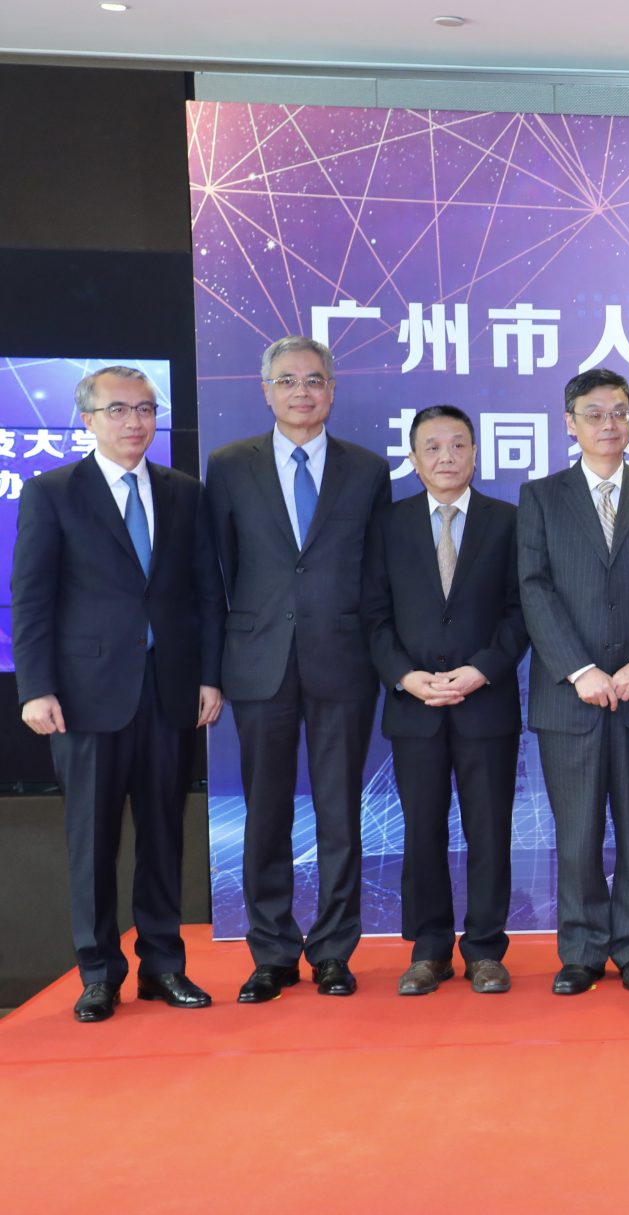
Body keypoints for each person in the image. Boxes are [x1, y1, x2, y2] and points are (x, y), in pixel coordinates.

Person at [12, 366, 224, 1022]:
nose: (134, 421)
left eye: (145, 409)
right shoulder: (53, 491)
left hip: (169, 691)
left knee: (165, 834)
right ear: (87, 418)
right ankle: (99, 971)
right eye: (118, 409)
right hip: (84, 694)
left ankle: (164, 965)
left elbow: (204, 594)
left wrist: (209, 675)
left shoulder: (184, 492)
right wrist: (36, 687)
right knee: (93, 838)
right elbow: (33, 597)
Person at [205, 336, 392, 1001]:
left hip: (343, 662)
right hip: (259, 663)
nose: (302, 392)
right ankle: (273, 951)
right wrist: (210, 667)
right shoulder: (229, 466)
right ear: (266, 391)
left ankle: (335, 949)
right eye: (287, 381)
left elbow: (377, 578)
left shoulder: (367, 471)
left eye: (314, 380)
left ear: (332, 390)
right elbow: (212, 575)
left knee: (341, 810)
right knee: (266, 812)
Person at [518, 368, 629, 995]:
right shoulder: (541, 496)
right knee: (578, 832)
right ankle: (582, 951)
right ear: (570, 423)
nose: (608, 424)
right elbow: (533, 588)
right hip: (570, 697)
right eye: (594, 413)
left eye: (619, 411)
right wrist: (582, 669)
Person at [363, 406, 529, 995]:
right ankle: (429, 949)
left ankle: (485, 948)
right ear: (413, 459)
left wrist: (481, 671)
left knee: (490, 830)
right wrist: (405, 677)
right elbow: (374, 617)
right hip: (415, 707)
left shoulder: (509, 522)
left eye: (458, 445)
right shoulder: (389, 524)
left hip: (486, 704)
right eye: (431, 447)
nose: (446, 457)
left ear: (475, 453)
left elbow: (521, 612)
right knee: (421, 830)